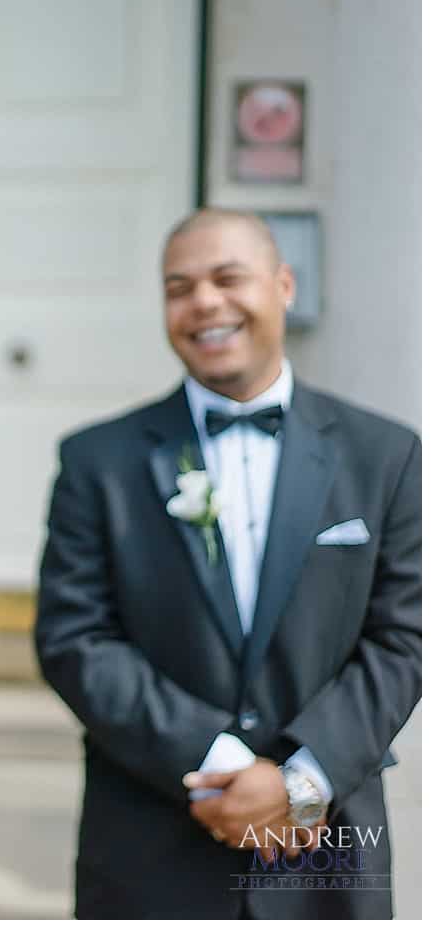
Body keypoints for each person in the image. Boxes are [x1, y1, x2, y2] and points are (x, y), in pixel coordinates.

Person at [35, 208, 420, 918]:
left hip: (325, 838)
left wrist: (302, 782)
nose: (203, 302)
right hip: (153, 837)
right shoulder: (99, 461)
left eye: (227, 278)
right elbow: (73, 637)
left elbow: (403, 640)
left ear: (283, 285)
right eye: (179, 287)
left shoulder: (386, 456)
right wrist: (218, 764)